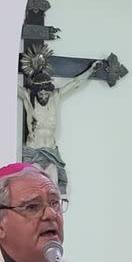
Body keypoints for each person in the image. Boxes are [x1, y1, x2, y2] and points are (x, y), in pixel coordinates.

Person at [17, 53, 102, 196]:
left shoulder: (55, 97)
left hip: (51, 150)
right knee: (34, 186)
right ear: (36, 92)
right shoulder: (28, 97)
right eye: (41, 94)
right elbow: (8, 84)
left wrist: (91, 70)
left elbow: (75, 83)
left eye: (46, 94)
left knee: (53, 186)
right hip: (33, 149)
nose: (44, 96)